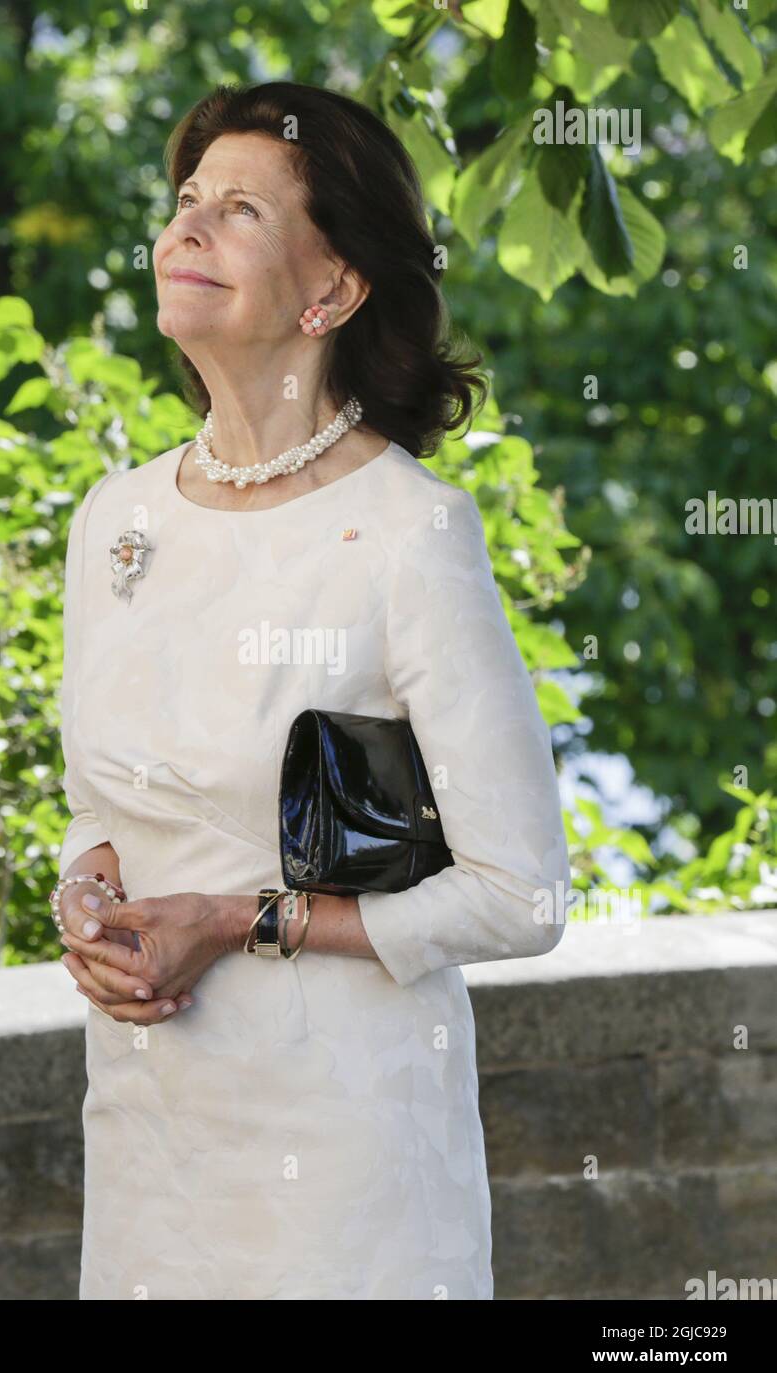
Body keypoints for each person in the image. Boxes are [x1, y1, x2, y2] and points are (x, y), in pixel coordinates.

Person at [53, 81, 570, 1300]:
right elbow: (97, 809)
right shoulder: (113, 521)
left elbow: (523, 893)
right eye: (185, 200)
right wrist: (88, 897)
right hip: (147, 1135)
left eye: (239, 209)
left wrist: (239, 920)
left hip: (346, 1169)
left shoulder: (409, 534)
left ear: (331, 290)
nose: (185, 227)